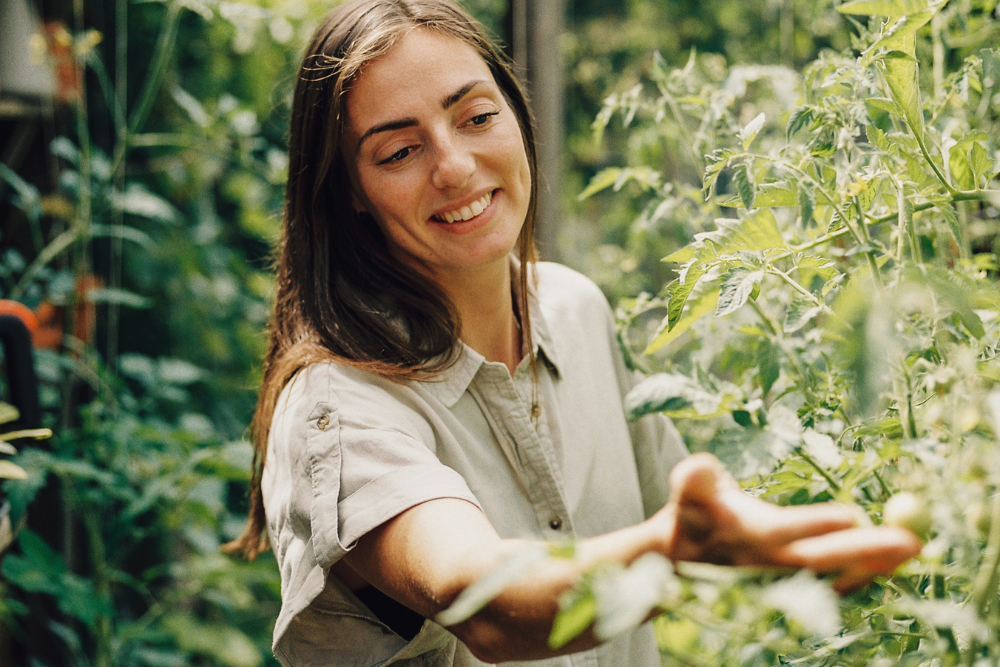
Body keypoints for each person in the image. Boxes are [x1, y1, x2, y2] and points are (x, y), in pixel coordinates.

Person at [225, 1, 921, 665]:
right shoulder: (339, 404)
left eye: (475, 116)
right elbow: (484, 599)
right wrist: (672, 558)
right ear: (347, 188)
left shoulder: (575, 307)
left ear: (515, 115)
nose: (455, 166)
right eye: (401, 150)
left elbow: (696, 514)